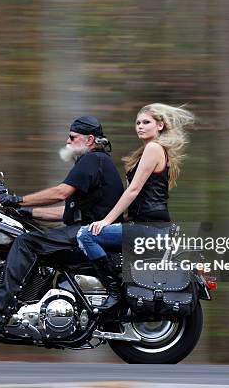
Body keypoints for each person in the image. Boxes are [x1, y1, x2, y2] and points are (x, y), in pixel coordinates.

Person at [0, 116, 124, 328]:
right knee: (30, 237)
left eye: (72, 137)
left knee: (25, 242)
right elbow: (64, 212)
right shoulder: (95, 163)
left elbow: (60, 193)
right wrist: (24, 210)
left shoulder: (93, 160)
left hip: (90, 234)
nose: (67, 142)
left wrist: (17, 199)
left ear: (89, 140)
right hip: (86, 231)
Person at [76, 103, 195, 311]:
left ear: (160, 125)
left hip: (150, 229)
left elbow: (133, 190)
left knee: (86, 235)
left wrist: (106, 221)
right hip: (150, 227)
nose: (140, 126)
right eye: (138, 123)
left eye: (146, 122)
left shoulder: (153, 148)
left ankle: (114, 292)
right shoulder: (154, 150)